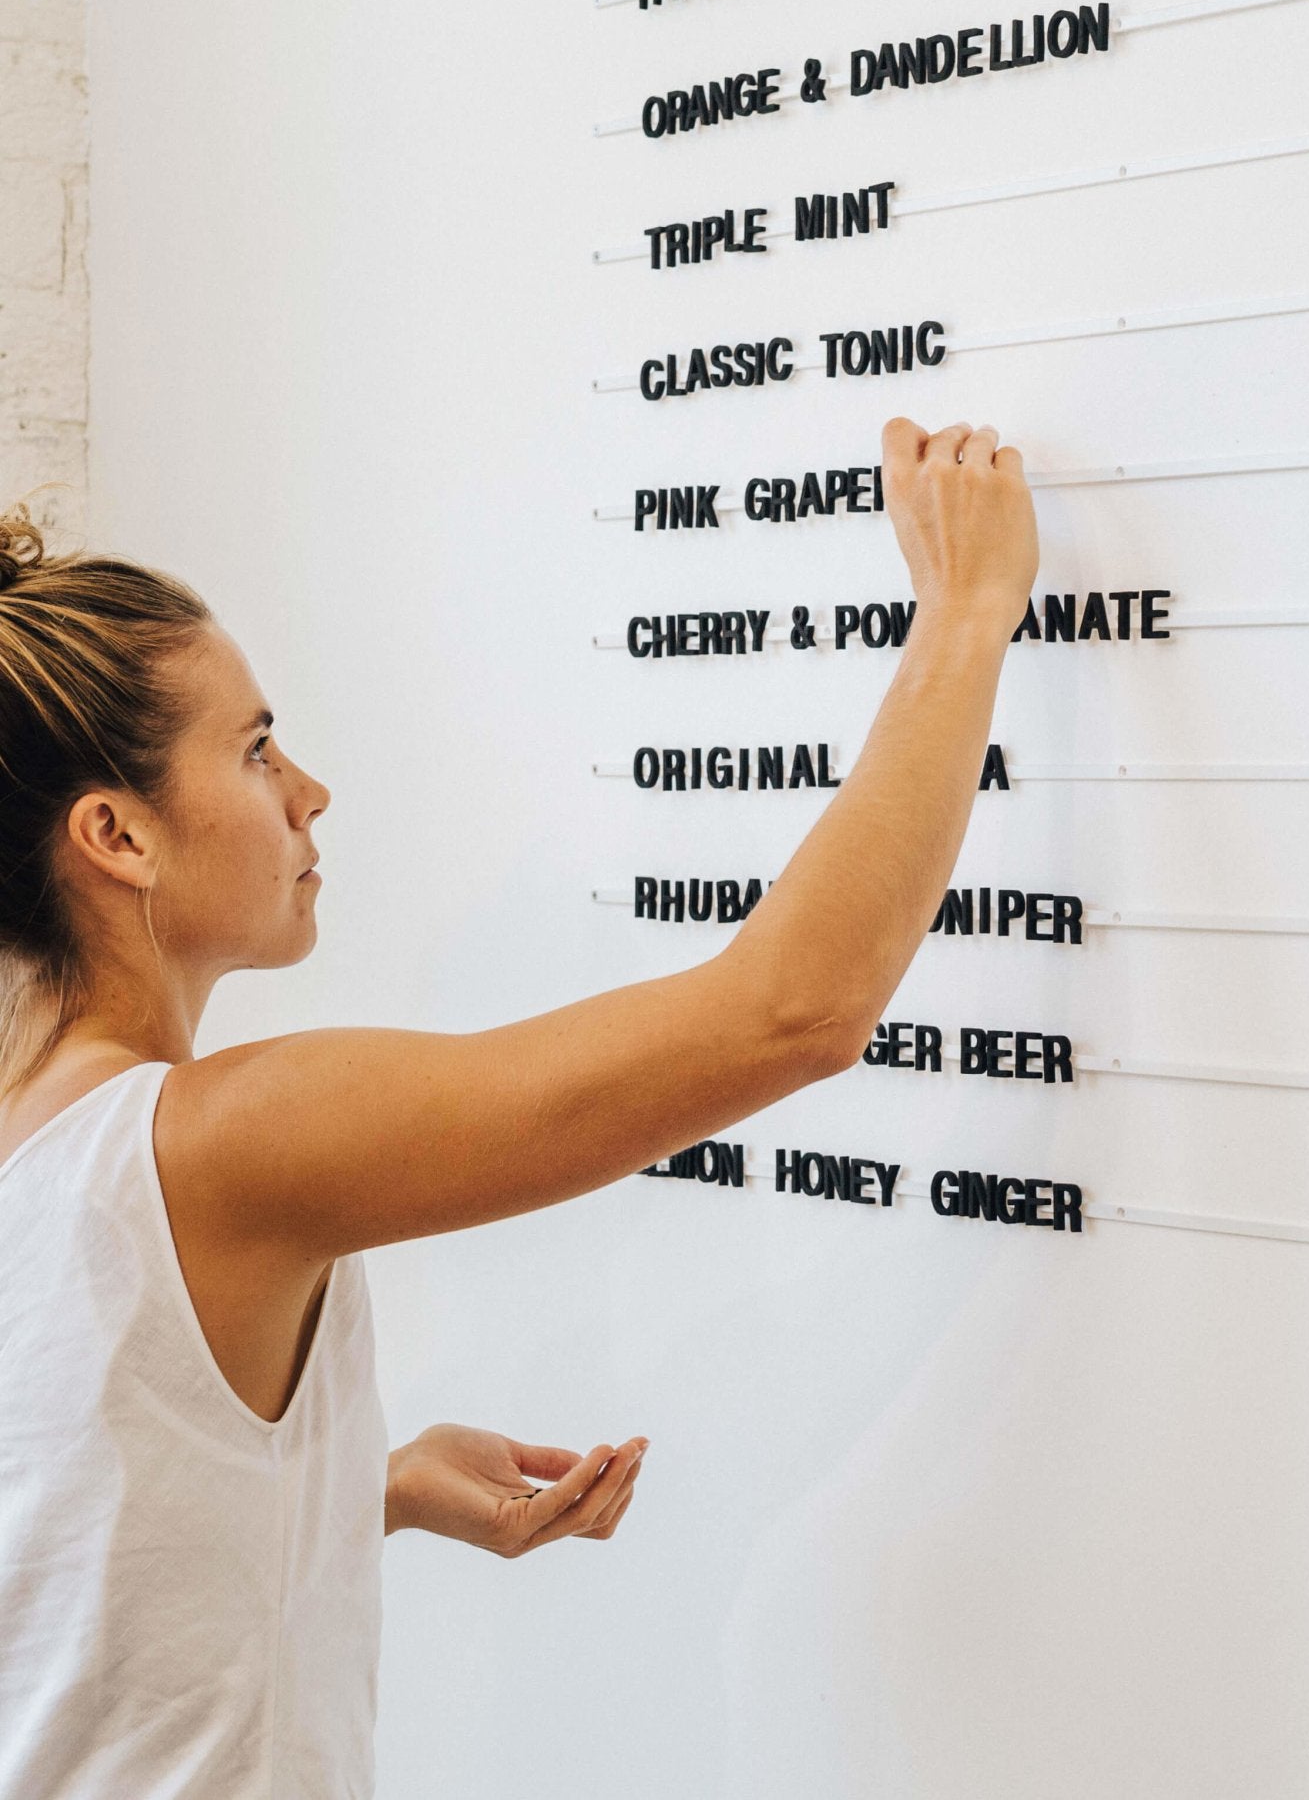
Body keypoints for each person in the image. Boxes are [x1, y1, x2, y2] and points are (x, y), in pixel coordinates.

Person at [0, 417, 1038, 1798]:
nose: (309, 793)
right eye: (255, 752)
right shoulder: (219, 1144)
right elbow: (792, 1011)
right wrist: (966, 614)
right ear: (117, 835)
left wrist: (356, 1488)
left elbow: (52, 1530)